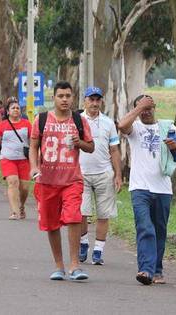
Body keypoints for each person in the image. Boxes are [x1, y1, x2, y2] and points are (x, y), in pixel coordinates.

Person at [118, 95, 176, 285]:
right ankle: (145, 270)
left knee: (159, 230)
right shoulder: (135, 128)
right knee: (145, 227)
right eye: (142, 107)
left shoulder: (167, 127)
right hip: (140, 188)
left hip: (163, 189)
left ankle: (157, 270)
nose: (146, 110)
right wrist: (138, 108)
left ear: (155, 108)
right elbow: (121, 125)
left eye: (149, 106)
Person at [29, 81, 95, 281]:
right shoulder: (41, 120)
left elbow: (91, 147)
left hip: (72, 180)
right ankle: (59, 266)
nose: (65, 99)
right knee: (51, 224)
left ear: (73, 97)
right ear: (54, 98)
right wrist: (34, 167)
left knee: (74, 217)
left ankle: (75, 265)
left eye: (68, 96)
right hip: (47, 181)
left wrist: (80, 142)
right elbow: (33, 146)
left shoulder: (79, 120)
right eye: (61, 96)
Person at [78, 86, 123, 266]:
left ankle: (98, 250)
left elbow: (114, 149)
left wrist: (118, 174)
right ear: (85, 101)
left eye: (98, 100)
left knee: (104, 214)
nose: (95, 103)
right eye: (91, 99)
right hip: (81, 173)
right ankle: (83, 244)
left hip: (104, 173)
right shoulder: (77, 120)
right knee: (81, 213)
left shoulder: (108, 122)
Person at [0, 97, 32, 220]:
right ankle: (14, 211)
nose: (16, 110)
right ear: (7, 111)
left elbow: (33, 143)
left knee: (24, 188)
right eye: (13, 108)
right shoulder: (2, 126)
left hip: (24, 159)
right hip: (7, 159)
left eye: (18, 108)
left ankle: (21, 206)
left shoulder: (27, 124)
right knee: (13, 182)